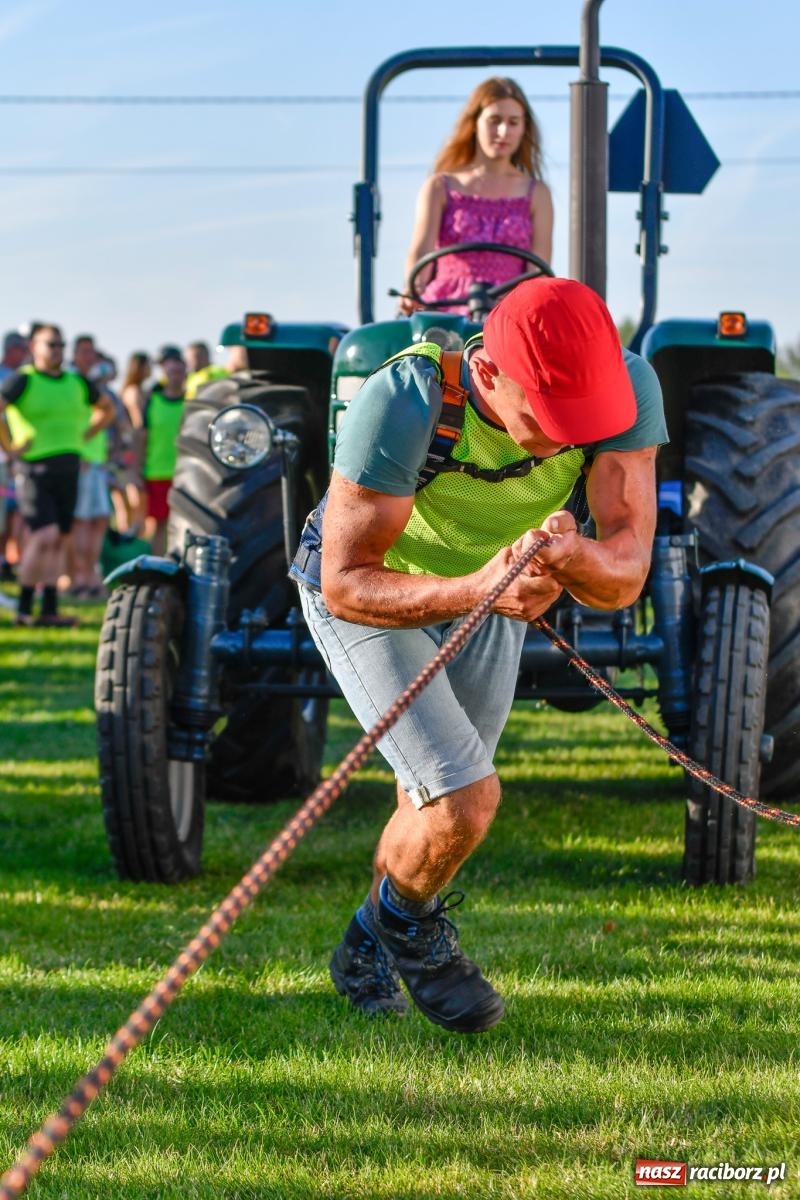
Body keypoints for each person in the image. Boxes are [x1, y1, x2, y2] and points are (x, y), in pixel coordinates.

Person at [289, 276, 667, 1032]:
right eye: (553, 415)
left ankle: (366, 941)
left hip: (488, 585)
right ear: (488, 375)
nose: (570, 435)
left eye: (583, 417)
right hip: (376, 590)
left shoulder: (629, 384)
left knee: (432, 806)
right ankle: (413, 933)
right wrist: (479, 587)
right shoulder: (406, 399)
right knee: (464, 797)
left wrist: (565, 559)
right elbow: (347, 581)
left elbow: (625, 569)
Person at [398, 77, 554, 316]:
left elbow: (538, 270)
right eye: (494, 121)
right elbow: (422, 253)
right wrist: (413, 289)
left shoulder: (536, 194)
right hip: (445, 309)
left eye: (513, 122)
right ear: (475, 123)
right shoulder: (441, 187)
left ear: (523, 129)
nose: (503, 131)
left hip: (508, 311)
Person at [0, 324, 115, 626]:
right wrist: (10, 445)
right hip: (35, 468)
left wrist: (86, 434)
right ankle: (24, 609)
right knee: (44, 535)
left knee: (60, 537)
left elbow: (106, 409)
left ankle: (49, 609)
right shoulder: (23, 381)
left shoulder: (77, 382)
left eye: (60, 345)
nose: (57, 350)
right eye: (50, 344)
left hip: (69, 467)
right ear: (34, 347)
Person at [139, 345, 186, 554]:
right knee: (158, 525)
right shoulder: (152, 400)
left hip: (185, 474)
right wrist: (136, 468)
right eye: (170, 372)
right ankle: (157, 567)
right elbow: (140, 436)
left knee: (183, 525)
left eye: (178, 371)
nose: (175, 376)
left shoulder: (191, 402)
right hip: (157, 471)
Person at [0, 331, 29, 580]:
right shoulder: (9, 379)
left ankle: (7, 564)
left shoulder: (21, 376)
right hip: (7, 456)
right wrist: (9, 449)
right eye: (22, 347)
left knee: (12, 516)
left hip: (13, 460)